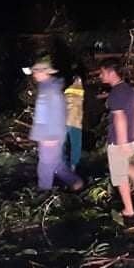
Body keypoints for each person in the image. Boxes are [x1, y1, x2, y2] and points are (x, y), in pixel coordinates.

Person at [98, 61, 134, 217]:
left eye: (102, 72)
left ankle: (129, 209)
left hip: (119, 140)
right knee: (125, 166)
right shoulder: (130, 90)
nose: (100, 76)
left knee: (120, 175)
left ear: (111, 73)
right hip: (131, 136)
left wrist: (122, 142)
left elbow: (120, 118)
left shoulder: (115, 93)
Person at [27, 61, 83, 192]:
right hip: (48, 135)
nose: (34, 75)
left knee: (45, 168)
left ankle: (44, 194)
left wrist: (51, 137)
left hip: (50, 136)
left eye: (36, 72)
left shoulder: (51, 91)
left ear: (44, 73)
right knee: (57, 165)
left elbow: (57, 114)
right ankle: (77, 183)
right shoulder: (46, 88)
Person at [64, 76, 84, 170]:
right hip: (76, 122)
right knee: (76, 145)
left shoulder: (66, 90)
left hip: (64, 121)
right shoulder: (81, 90)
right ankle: (73, 166)